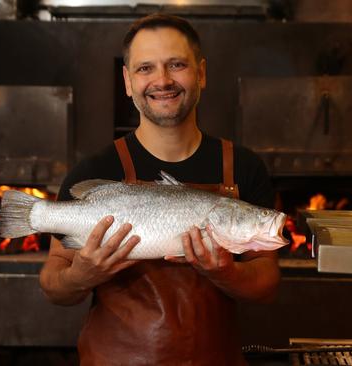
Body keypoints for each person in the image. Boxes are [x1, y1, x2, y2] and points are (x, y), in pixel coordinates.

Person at [39, 13, 281, 365]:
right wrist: (80, 276)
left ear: (201, 73)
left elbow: (267, 283)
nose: (162, 80)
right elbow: (52, 284)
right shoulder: (96, 171)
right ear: (127, 80)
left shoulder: (243, 166)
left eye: (176, 64)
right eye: (145, 68)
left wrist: (226, 272)